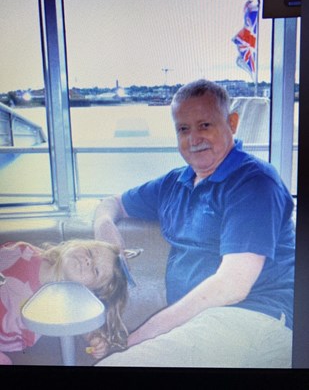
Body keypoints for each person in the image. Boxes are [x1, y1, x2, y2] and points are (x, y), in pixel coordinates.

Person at [93, 79, 295, 368]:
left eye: (205, 125)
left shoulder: (254, 183)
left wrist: (135, 340)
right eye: (183, 129)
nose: (193, 138)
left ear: (232, 123)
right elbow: (111, 203)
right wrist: (106, 232)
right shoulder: (174, 183)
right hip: (200, 325)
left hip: (254, 317)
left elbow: (232, 285)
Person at [0, 238, 131, 365]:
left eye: (96, 271)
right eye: (90, 252)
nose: (88, 261)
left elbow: (82, 322)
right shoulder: (22, 252)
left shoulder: (68, 305)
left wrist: (94, 339)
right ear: (76, 244)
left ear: (92, 292)